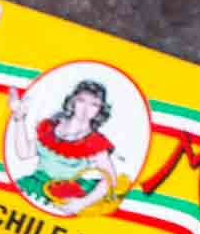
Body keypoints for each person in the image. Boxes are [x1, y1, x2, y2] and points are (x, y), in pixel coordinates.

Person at [8, 78, 119, 215]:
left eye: (94, 104)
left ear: (100, 110)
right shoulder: (50, 127)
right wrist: (20, 118)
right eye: (81, 100)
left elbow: (110, 180)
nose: (85, 109)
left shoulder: (95, 142)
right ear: (72, 101)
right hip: (36, 185)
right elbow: (24, 153)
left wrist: (82, 203)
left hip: (66, 195)